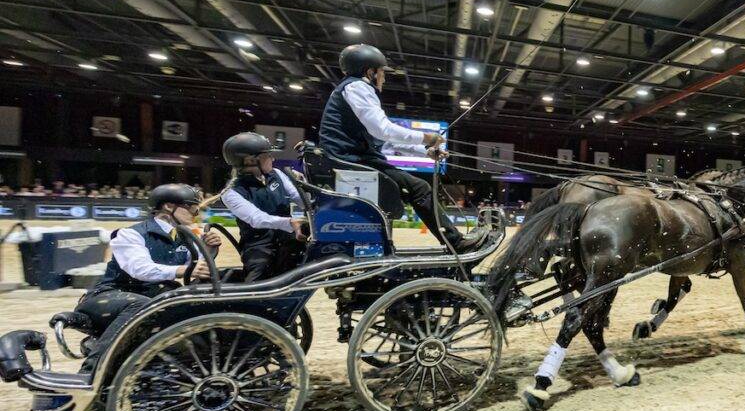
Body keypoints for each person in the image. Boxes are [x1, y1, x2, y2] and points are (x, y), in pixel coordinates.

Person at [308, 43, 486, 253]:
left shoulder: (351, 89)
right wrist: (426, 137)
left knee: (413, 188)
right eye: (382, 73)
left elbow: (384, 141)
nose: (384, 78)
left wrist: (426, 151)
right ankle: (455, 243)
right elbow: (383, 130)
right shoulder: (358, 87)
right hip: (350, 162)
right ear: (370, 72)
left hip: (348, 159)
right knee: (419, 189)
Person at [70, 184, 221, 371]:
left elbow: (197, 268)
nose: (196, 213)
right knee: (143, 306)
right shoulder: (130, 234)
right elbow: (140, 269)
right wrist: (183, 270)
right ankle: (90, 370)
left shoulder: (184, 237)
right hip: (108, 296)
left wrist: (208, 249)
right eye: (191, 207)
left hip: (152, 299)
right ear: (168, 207)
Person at [219, 132, 307, 281]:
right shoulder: (231, 193)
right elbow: (257, 219)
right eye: (268, 155)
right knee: (258, 279)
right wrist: (290, 222)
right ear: (250, 160)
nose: (273, 159)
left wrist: (307, 187)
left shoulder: (277, 174)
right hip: (259, 246)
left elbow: (301, 200)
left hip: (289, 239)